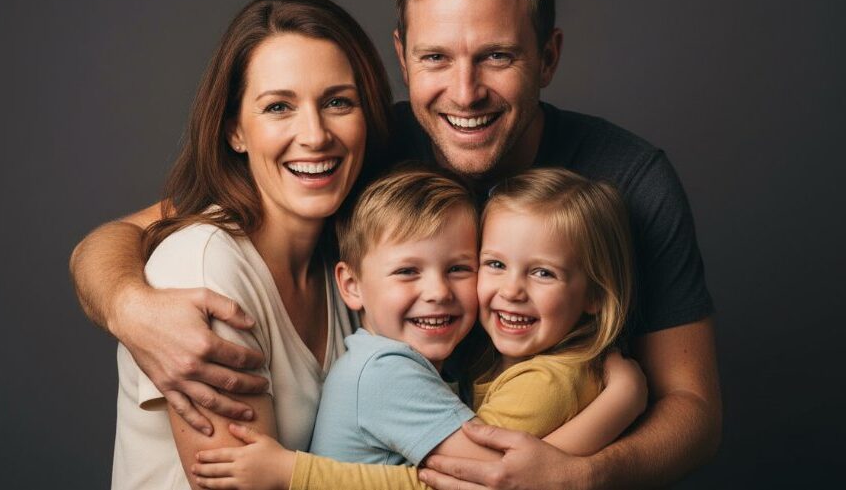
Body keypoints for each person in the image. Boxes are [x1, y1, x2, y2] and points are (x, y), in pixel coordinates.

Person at [71, 0, 721, 489]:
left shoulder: (629, 177)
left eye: (497, 56)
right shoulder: (359, 148)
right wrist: (132, 307)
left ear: (547, 57)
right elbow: (126, 236)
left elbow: (693, 407)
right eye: (436, 57)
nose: (465, 93)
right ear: (404, 59)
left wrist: (585, 476)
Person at [187, 166, 647, 490]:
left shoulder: (402, 363)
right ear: (351, 285)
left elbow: (504, 478)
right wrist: (625, 399)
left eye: (460, 268)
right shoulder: (388, 372)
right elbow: (501, 475)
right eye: (408, 272)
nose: (438, 292)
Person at [110, 0, 394, 489]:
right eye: (279, 107)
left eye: (338, 102)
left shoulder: (348, 262)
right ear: (234, 131)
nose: (315, 134)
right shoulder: (203, 268)